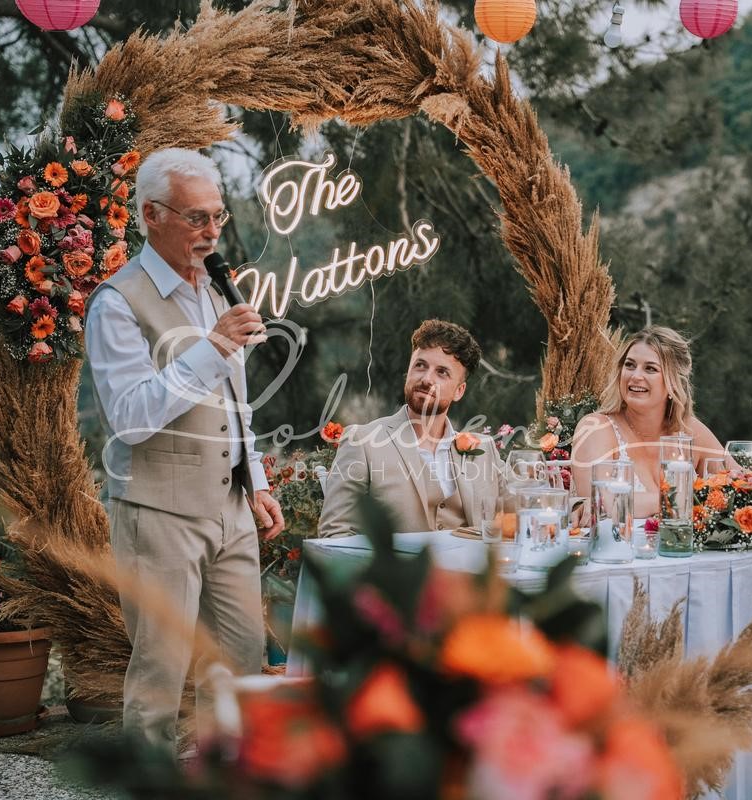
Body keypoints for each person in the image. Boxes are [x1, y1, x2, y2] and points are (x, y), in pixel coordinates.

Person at [85, 147, 284, 751]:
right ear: (151, 215)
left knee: (242, 660)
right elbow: (130, 418)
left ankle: (225, 776)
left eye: (218, 216)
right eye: (197, 217)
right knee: (161, 671)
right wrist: (213, 347)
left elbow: (236, 400)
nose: (212, 231)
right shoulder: (117, 301)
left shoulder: (218, 288)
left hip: (231, 509)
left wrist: (257, 482)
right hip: (158, 511)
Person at [318, 319, 503, 537]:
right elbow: (335, 533)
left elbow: (518, 515)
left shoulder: (484, 451)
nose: (426, 379)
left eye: (442, 372)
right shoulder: (362, 441)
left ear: (459, 391)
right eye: (420, 365)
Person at [571, 326, 728, 519]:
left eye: (650, 368)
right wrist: (684, 499)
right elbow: (602, 503)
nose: (635, 376)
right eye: (630, 365)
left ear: (673, 382)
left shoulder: (690, 430)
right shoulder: (596, 428)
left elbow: (743, 484)